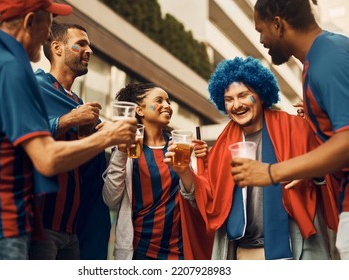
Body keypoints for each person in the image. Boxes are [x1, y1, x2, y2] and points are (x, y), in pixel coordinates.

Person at [0, 0, 136, 260]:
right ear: (31, 21)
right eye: (49, 24)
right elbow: (47, 158)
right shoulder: (9, 68)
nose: (48, 34)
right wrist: (108, 136)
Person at [169, 56, 337, 260]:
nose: (236, 104)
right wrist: (184, 171)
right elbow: (208, 200)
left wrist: (309, 171)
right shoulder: (222, 145)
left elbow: (330, 173)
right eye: (229, 99)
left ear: (261, 95)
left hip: (297, 248)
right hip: (243, 252)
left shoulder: (296, 128)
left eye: (243, 95)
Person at [231, 0, 349, 259]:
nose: (261, 40)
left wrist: (272, 172)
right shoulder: (321, 58)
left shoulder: (327, 60)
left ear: (278, 24)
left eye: (261, 30)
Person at [102, 83, 213, 260]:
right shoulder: (127, 148)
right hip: (138, 251)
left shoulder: (179, 147)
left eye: (168, 101)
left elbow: (194, 198)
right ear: (139, 110)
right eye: (159, 100)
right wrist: (122, 152)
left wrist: (199, 164)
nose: (168, 106)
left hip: (179, 249)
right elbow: (111, 199)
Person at [28, 22, 110, 260]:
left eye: (90, 45)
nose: (89, 51)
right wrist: (68, 120)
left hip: (73, 231)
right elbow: (20, 138)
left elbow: (80, 163)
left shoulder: (78, 102)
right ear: (58, 48)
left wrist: (91, 136)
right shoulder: (34, 87)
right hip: (40, 228)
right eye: (81, 44)